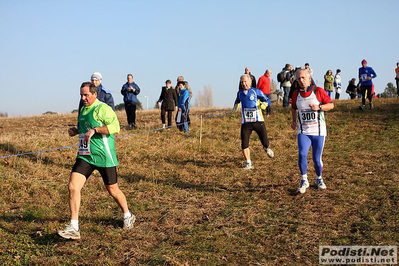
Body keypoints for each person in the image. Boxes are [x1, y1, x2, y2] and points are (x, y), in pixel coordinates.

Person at [58, 82, 135, 240]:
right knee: (73, 186)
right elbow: (86, 126)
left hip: (104, 156)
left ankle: (127, 215)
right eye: (81, 95)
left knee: (113, 190)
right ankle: (74, 227)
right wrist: (77, 130)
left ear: (94, 94)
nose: (83, 98)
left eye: (86, 95)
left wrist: (95, 130)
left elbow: (115, 127)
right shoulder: (83, 109)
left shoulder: (103, 108)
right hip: (85, 155)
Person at [290, 69, 334, 193]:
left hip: (319, 131)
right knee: (302, 154)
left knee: (316, 158)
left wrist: (319, 107)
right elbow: (293, 108)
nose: (301, 80)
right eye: (298, 79)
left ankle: (319, 178)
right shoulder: (295, 94)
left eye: (303, 78)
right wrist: (294, 120)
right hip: (304, 131)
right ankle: (304, 180)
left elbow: (331, 105)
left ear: (310, 78)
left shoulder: (318, 91)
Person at [230, 74, 274, 169]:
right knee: (244, 143)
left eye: (245, 81)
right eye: (242, 82)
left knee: (265, 141)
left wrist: (264, 104)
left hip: (258, 121)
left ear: (250, 81)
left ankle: (266, 148)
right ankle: (248, 163)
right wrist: (232, 113)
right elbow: (236, 102)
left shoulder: (255, 91)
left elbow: (268, 100)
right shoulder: (240, 93)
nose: (243, 83)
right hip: (246, 123)